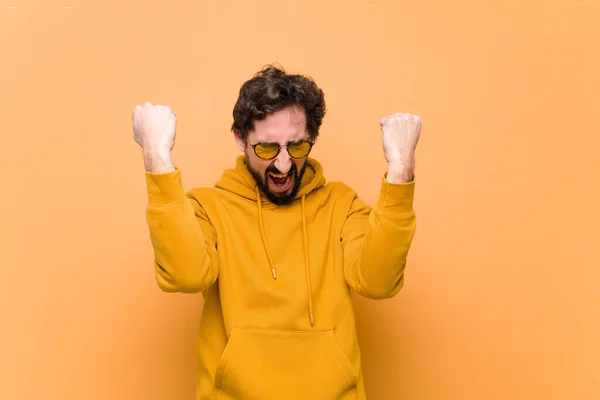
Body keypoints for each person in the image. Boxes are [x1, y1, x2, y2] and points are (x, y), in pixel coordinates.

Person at [132, 65, 420, 400]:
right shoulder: (208, 207)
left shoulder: (340, 205)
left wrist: (401, 167)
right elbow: (184, 275)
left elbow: (379, 281)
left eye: (296, 147)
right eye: (267, 148)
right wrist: (157, 156)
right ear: (241, 138)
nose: (283, 164)